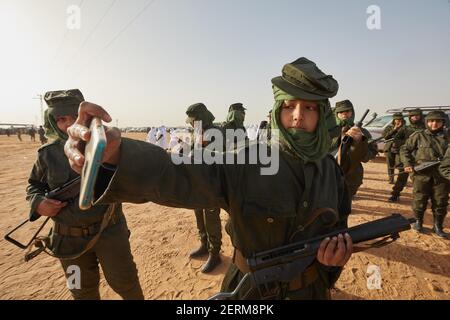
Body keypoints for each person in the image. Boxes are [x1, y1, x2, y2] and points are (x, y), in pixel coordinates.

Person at [65, 57, 353, 300]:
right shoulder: (249, 160)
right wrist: (117, 156)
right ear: (278, 111)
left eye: (310, 107)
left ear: (321, 114)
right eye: (289, 106)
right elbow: (177, 173)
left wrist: (333, 260)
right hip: (250, 292)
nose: (298, 116)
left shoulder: (331, 172)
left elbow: (338, 230)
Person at [26, 89, 144, 300]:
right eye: (62, 119)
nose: (70, 124)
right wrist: (38, 203)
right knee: (81, 292)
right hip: (67, 239)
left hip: (110, 232)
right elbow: (34, 185)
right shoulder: (47, 154)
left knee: (127, 284)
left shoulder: (106, 145)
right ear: (53, 122)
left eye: (74, 118)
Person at [184, 103, 223, 273]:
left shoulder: (216, 132)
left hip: (212, 184)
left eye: (194, 121)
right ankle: (204, 244)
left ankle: (215, 254)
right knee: (198, 213)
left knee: (211, 219)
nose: (191, 124)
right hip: (197, 182)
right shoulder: (197, 132)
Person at [401, 111, 449, 237]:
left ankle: (438, 225)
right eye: (431, 121)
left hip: (442, 176)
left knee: (441, 201)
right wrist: (407, 164)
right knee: (419, 199)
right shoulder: (419, 135)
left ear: (443, 122)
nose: (434, 124)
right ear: (427, 122)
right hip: (422, 174)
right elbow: (405, 149)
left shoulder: (448, 137)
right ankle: (418, 221)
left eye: (438, 121)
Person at [331, 100, 378, 197]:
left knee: (345, 205)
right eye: (341, 112)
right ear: (336, 114)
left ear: (352, 112)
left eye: (347, 111)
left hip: (351, 176)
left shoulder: (362, 132)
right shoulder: (328, 130)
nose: (344, 114)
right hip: (329, 173)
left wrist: (359, 142)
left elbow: (368, 156)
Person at [388, 108, 425, 202]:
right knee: (402, 178)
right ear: (409, 117)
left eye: (417, 115)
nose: (415, 117)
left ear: (421, 116)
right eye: (413, 115)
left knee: (420, 180)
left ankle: (421, 198)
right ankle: (395, 195)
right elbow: (396, 140)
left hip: (420, 158)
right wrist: (407, 144)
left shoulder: (425, 129)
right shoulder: (405, 128)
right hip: (406, 157)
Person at [382, 113, 406, 184]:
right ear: (394, 120)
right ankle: (391, 179)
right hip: (389, 149)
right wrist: (394, 129)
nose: (398, 121)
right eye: (397, 119)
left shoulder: (405, 128)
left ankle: (401, 181)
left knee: (400, 165)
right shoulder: (389, 127)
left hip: (400, 149)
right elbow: (385, 137)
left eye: (400, 119)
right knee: (390, 165)